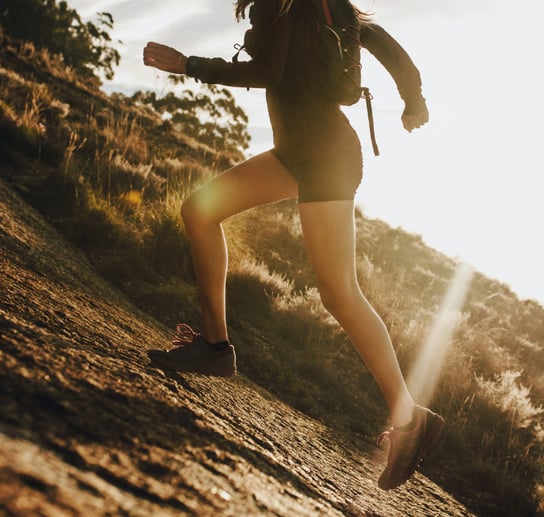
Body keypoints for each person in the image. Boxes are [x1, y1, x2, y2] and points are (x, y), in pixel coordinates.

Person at [143, 0, 442, 490]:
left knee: (340, 293)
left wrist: (188, 65)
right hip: (300, 152)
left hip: (323, 156)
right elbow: (387, 44)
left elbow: (266, 71)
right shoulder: (326, 7)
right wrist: (414, 101)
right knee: (200, 210)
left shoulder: (282, 5)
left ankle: (410, 419)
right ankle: (215, 348)